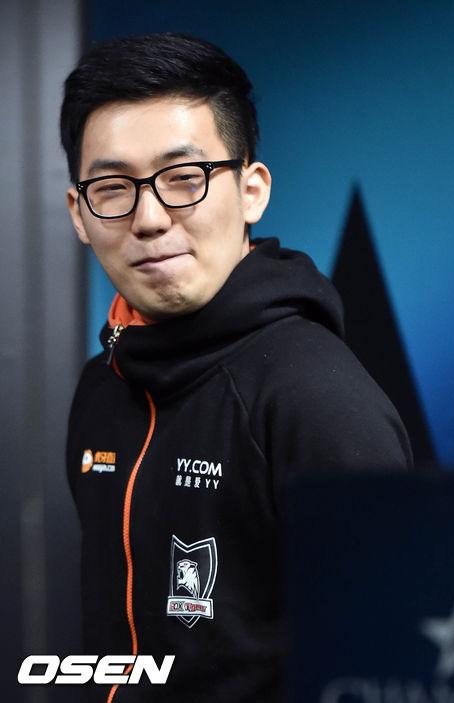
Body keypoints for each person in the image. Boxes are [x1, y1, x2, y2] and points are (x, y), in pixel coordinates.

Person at [62, 32, 413, 702]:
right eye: (112, 187)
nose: (149, 218)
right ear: (80, 213)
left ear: (251, 192)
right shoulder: (99, 388)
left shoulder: (315, 398)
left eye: (184, 179)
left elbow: (384, 668)